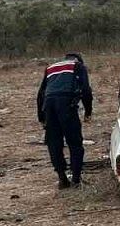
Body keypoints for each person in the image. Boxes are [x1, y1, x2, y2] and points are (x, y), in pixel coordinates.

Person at [35, 53, 93, 189]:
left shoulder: (51, 68)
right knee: (75, 142)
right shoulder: (78, 66)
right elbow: (86, 90)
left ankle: (62, 178)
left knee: (54, 143)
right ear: (78, 60)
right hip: (66, 103)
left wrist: (41, 117)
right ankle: (76, 179)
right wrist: (88, 112)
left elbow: (40, 94)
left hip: (49, 105)